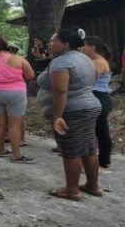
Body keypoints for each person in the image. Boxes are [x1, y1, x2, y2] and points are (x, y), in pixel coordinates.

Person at [37, 29, 102, 201]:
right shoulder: (85, 59)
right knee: (89, 147)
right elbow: (94, 78)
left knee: (71, 150)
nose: (50, 44)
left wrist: (58, 115)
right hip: (90, 105)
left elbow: (60, 90)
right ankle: (92, 185)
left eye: (53, 41)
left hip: (72, 110)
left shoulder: (62, 63)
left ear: (65, 44)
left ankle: (72, 190)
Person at [0, 37, 35, 163]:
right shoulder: (19, 59)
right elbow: (31, 75)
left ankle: (1, 150)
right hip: (16, 93)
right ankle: (16, 154)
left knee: (0, 123)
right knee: (14, 125)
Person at [81, 36, 114, 169]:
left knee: (100, 129)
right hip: (97, 97)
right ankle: (100, 158)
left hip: (99, 97)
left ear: (92, 47)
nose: (82, 48)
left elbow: (89, 80)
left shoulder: (98, 62)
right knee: (98, 128)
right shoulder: (93, 61)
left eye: (84, 45)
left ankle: (103, 158)